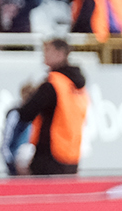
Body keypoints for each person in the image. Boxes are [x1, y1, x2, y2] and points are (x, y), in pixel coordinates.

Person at [6, 39, 89, 175]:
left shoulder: (53, 85)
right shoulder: (78, 86)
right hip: (72, 154)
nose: (44, 55)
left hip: (49, 152)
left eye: (48, 50)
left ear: (60, 53)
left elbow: (27, 112)